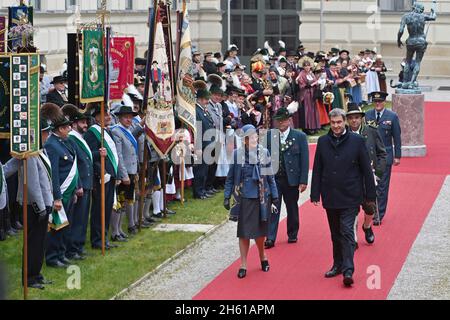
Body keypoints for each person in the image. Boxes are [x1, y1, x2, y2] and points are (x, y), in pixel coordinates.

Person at [310, 108, 376, 287]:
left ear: (344, 121)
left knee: (347, 231)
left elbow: (366, 170)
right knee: (335, 234)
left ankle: (348, 269)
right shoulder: (323, 141)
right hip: (330, 195)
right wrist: (315, 193)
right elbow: (318, 168)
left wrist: (370, 195)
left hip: (351, 195)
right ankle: (337, 264)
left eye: (339, 122)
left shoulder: (357, 141)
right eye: (333, 123)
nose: (336, 126)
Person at [3, 114, 54, 288]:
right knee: (33, 243)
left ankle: (36, 273)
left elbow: (10, 167)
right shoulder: (31, 155)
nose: (48, 135)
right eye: (45, 133)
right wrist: (40, 207)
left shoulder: (40, 151)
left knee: (40, 243)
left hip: (42, 203)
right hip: (34, 205)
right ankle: (29, 277)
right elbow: (32, 184)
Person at [224, 124, 278, 279]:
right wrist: (227, 196)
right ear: (245, 141)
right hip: (244, 199)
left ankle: (262, 256)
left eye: (255, 136)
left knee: (260, 233)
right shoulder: (237, 154)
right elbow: (230, 178)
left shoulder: (265, 153)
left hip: (262, 199)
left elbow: (270, 178)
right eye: (250, 137)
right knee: (244, 233)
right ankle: (243, 264)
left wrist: (274, 196)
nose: (254, 139)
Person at [265, 108, 309, 249]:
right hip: (275, 179)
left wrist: (303, 180)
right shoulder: (269, 136)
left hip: (292, 179)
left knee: (292, 207)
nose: (281, 122)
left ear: (289, 120)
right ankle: (270, 237)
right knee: (273, 207)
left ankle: (292, 233)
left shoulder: (300, 136)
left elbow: (305, 160)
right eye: (278, 120)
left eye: (283, 119)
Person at [346, 103, 387, 245]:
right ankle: (353, 238)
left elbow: (382, 153)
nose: (354, 121)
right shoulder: (343, 134)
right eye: (351, 118)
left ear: (361, 118)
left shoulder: (370, 131)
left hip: (369, 177)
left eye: (357, 117)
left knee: (370, 208)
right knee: (352, 210)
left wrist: (378, 173)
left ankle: (367, 227)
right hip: (350, 178)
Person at [84, 103, 119, 250]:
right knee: (99, 209)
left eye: (109, 113)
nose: (109, 116)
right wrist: (99, 154)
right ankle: (98, 240)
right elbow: (88, 155)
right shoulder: (92, 133)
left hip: (109, 175)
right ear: (97, 117)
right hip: (100, 176)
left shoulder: (107, 131)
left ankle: (104, 237)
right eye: (105, 114)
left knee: (107, 208)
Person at [365, 92, 402, 225]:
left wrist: (397, 155)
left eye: (380, 101)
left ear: (384, 102)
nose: (378, 104)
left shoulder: (392, 116)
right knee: (370, 185)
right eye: (375, 101)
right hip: (369, 156)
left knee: (382, 186)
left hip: (384, 157)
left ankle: (378, 214)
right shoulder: (368, 115)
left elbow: (397, 137)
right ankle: (371, 211)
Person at [62, 104, 93, 259]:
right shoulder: (72, 138)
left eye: (86, 122)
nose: (85, 125)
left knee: (82, 218)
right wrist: (79, 184)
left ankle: (79, 245)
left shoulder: (79, 138)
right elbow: (76, 164)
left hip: (87, 182)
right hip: (80, 183)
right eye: (82, 123)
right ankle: (73, 248)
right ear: (74, 124)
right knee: (77, 219)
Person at [111, 105, 140, 236]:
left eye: (130, 118)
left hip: (133, 169)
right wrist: (124, 175)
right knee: (121, 201)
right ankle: (117, 231)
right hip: (125, 172)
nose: (129, 120)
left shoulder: (130, 129)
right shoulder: (117, 131)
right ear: (120, 119)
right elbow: (119, 155)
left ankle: (125, 227)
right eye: (126, 118)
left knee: (130, 199)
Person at [193, 82, 215, 199]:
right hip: (202, 144)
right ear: (201, 99)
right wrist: (199, 147)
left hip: (208, 143)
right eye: (206, 99)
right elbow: (198, 130)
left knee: (205, 170)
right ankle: (198, 192)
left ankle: (203, 189)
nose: (207, 101)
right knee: (200, 171)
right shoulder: (197, 111)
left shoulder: (204, 110)